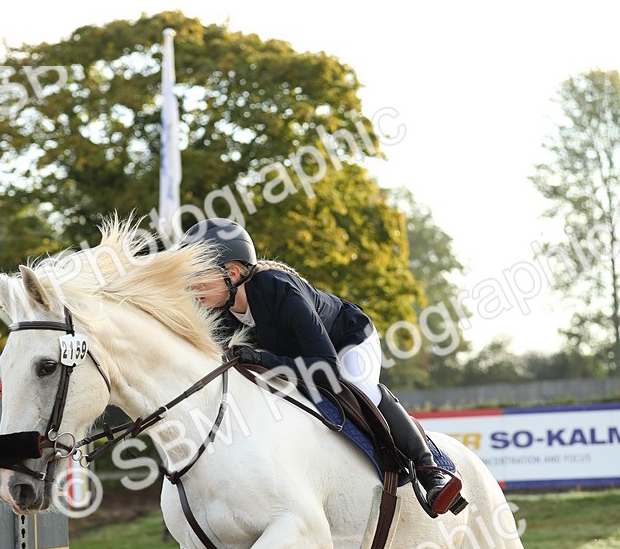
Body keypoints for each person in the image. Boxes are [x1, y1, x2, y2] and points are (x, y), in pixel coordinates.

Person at [183, 217, 463, 516]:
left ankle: (429, 470)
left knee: (357, 388)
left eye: (200, 276)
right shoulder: (223, 316)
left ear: (233, 273)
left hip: (347, 342)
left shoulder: (278, 289)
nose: (192, 286)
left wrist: (263, 360)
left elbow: (326, 368)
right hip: (303, 359)